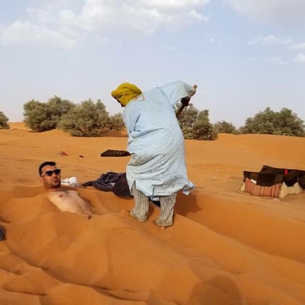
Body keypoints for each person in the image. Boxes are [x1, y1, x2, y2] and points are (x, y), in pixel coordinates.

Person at [111, 80, 196, 228]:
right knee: (169, 177)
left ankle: (140, 212)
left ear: (125, 96)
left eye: (120, 100)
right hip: (174, 143)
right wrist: (188, 94)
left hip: (149, 145)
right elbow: (179, 85)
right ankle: (165, 219)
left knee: (135, 174)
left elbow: (132, 132)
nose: (120, 105)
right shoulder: (158, 93)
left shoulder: (129, 109)